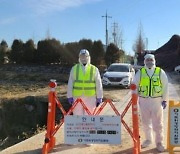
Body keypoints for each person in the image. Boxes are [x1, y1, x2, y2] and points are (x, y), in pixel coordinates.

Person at [132, 54, 168, 152]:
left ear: (154, 60)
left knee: (158, 123)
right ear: (144, 61)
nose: (149, 61)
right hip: (143, 101)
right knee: (145, 122)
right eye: (147, 59)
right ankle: (148, 139)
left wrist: (164, 99)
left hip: (157, 101)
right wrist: (134, 98)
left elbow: (165, 86)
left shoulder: (160, 72)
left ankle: (159, 142)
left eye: (151, 59)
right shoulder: (140, 72)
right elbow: (134, 85)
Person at [67, 49, 103, 115]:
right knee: (78, 117)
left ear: (88, 57)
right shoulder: (74, 68)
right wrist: (69, 96)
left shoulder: (94, 69)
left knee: (89, 117)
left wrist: (99, 97)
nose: (83, 58)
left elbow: (98, 84)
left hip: (90, 97)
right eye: (82, 56)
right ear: (79, 57)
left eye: (85, 56)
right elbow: (70, 83)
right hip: (77, 96)